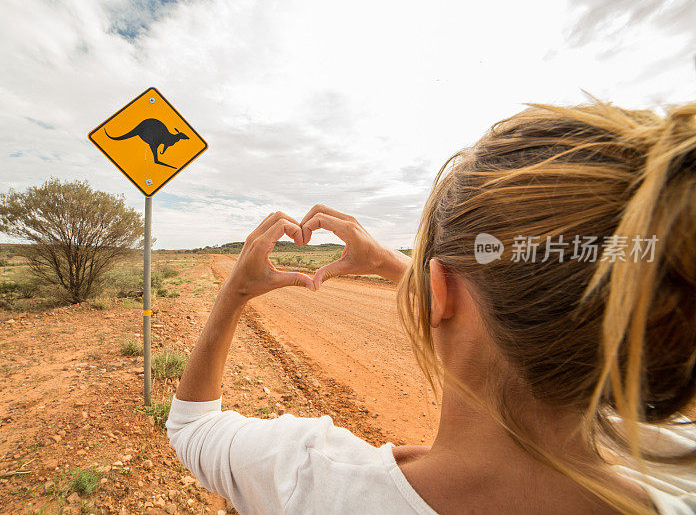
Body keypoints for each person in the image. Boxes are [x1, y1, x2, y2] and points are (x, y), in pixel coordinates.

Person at [166, 101, 696, 514]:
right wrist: (398, 266)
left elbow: (191, 428)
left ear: (436, 290)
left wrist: (233, 293)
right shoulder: (676, 468)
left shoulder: (312, 479)